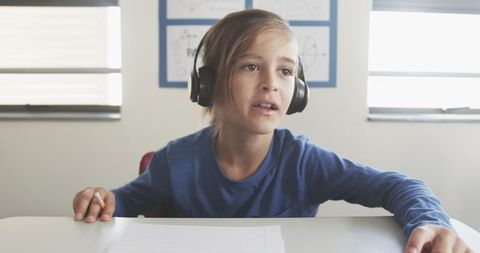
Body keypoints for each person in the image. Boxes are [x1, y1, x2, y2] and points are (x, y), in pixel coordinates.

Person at [73, 9, 472, 253]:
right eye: (250, 66)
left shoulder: (304, 161)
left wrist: (430, 220)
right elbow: (122, 203)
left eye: (285, 70)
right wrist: (102, 199)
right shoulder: (174, 161)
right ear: (208, 83)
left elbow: (399, 186)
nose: (272, 84)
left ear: (297, 90)